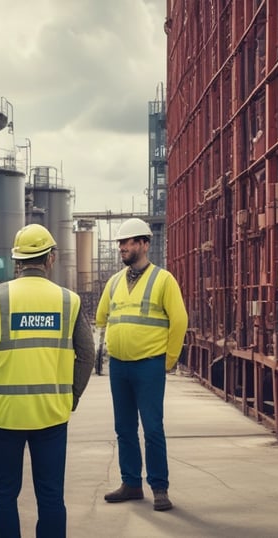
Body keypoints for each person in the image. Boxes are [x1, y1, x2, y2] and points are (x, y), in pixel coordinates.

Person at [0, 223, 95, 538]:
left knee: (4, 494)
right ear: (51, 258)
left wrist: (4, 378)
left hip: (4, 414)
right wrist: (71, 395)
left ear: (17, 260)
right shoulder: (68, 301)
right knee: (51, 495)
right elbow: (87, 355)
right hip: (50, 413)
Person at [95, 217, 188, 512]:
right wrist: (111, 340)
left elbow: (180, 321)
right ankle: (131, 483)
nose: (122, 247)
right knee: (124, 428)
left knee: (152, 428)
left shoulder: (163, 280)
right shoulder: (113, 282)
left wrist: (168, 360)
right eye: (120, 243)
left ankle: (159, 488)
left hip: (149, 365)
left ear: (144, 244)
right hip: (119, 366)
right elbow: (101, 316)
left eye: (128, 242)